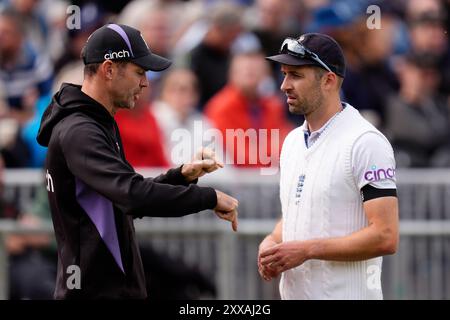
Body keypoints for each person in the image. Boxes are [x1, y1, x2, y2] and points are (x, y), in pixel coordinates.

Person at [36, 23, 238, 299]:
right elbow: (133, 196)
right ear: (108, 70)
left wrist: (181, 176)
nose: (145, 83)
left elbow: (123, 196)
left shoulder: (96, 123)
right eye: (139, 72)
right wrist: (209, 198)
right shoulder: (80, 131)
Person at [257, 33, 399, 299]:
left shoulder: (365, 142)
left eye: (296, 76)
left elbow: (386, 235)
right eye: (284, 74)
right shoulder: (292, 142)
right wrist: (272, 242)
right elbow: (298, 212)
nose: (284, 85)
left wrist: (308, 250)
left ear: (328, 81)